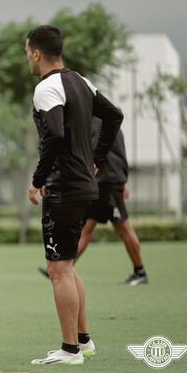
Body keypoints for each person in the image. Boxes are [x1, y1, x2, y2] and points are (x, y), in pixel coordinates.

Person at [25, 25, 123, 365]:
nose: (28, 59)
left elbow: (52, 134)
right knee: (65, 264)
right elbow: (114, 115)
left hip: (64, 186)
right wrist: (95, 160)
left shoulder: (45, 88)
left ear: (36, 53)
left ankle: (69, 351)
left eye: (27, 53)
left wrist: (38, 179)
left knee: (58, 269)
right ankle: (82, 342)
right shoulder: (81, 81)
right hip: (83, 185)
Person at [38, 119, 148, 285]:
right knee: (86, 228)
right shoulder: (109, 118)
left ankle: (140, 272)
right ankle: (64, 268)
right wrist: (122, 180)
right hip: (103, 182)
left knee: (123, 227)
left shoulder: (91, 122)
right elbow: (120, 152)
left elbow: (86, 153)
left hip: (106, 182)